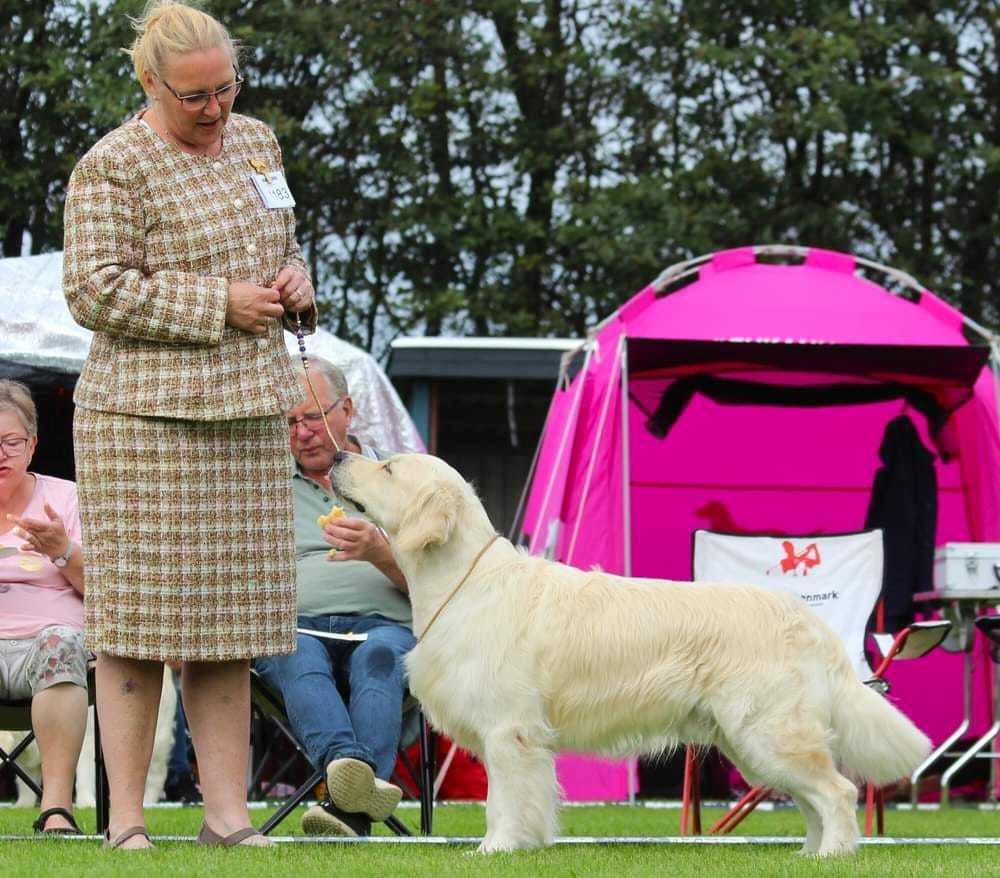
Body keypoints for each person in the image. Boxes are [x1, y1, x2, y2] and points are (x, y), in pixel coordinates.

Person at [62, 0, 316, 850]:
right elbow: (92, 289)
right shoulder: (113, 166)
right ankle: (126, 823)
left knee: (230, 630)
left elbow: (280, 241)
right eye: (195, 97)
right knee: (134, 625)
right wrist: (218, 303)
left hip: (246, 411)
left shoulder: (256, 141)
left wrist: (292, 282)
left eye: (226, 89)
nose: (216, 111)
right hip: (142, 426)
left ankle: (228, 820)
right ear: (150, 82)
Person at [254, 357, 415, 837]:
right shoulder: (262, 486)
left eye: (313, 417)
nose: (302, 432)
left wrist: (381, 554)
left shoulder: (402, 481)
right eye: (289, 422)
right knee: (295, 652)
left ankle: (347, 798)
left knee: (379, 660)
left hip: (387, 625)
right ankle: (347, 769)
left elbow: (442, 585)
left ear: (346, 409)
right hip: (296, 624)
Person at [0, 380, 87, 835]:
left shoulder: (66, 499)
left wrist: (62, 550)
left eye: (10, 443)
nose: (0, 455)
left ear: (31, 445)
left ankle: (56, 806)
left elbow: (105, 590)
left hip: (48, 638)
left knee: (62, 642)